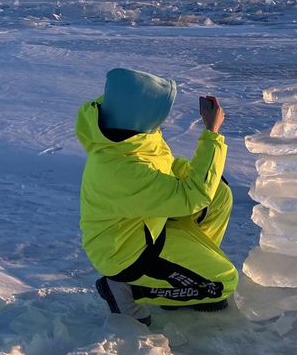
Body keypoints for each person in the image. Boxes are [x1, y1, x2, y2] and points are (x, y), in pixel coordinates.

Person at [75, 68, 238, 325]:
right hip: (127, 253)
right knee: (222, 284)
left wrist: (202, 172)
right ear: (143, 113)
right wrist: (212, 134)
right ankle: (127, 290)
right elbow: (192, 195)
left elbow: (170, 167)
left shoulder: (131, 135)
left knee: (219, 194)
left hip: (145, 225)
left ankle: (185, 274)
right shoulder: (123, 169)